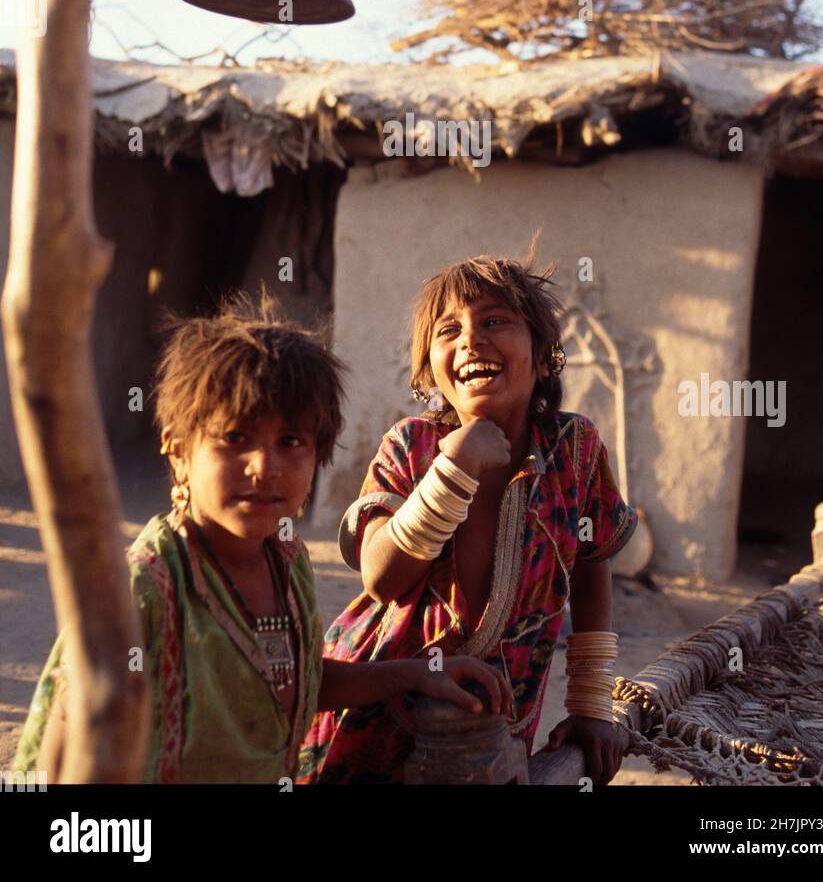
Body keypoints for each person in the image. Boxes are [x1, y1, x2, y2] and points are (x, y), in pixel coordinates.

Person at [13, 291, 510, 784]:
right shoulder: (145, 588)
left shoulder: (285, 559)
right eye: (235, 438)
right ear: (178, 449)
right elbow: (61, 764)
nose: (265, 466)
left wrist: (416, 673)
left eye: (290, 442)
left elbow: (295, 684)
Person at [297, 250, 638, 786]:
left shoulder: (575, 451)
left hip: (496, 723)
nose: (471, 339)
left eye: (496, 321)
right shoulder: (411, 446)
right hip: (371, 710)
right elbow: (381, 578)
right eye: (448, 329)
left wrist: (591, 704)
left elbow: (594, 564)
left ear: (544, 353)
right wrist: (453, 468)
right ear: (427, 369)